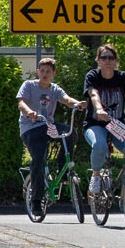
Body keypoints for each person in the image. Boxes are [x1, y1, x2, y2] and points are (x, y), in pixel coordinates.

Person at [16, 58, 83, 216]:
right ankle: (36, 201)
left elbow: (66, 99)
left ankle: (64, 169)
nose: (45, 74)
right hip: (31, 128)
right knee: (39, 159)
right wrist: (29, 112)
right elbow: (21, 103)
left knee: (70, 132)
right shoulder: (29, 85)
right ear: (38, 72)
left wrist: (77, 104)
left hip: (48, 127)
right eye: (42, 71)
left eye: (48, 71)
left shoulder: (54, 89)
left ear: (54, 73)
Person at [82, 44, 125, 198]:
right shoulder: (93, 75)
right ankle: (96, 176)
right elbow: (93, 94)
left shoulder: (123, 78)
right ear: (98, 60)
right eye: (104, 57)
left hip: (117, 124)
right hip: (95, 124)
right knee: (99, 144)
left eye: (111, 57)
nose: (107, 61)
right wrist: (99, 109)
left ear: (116, 61)